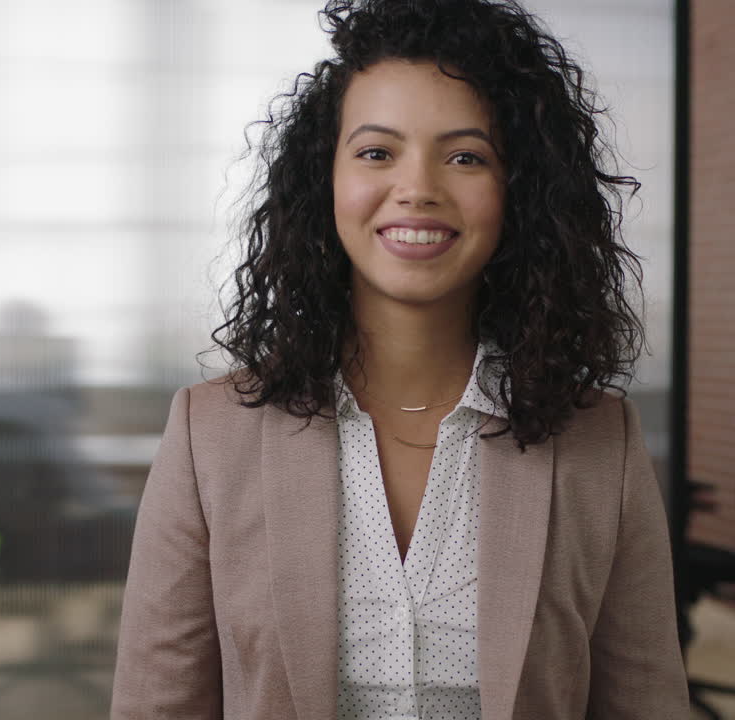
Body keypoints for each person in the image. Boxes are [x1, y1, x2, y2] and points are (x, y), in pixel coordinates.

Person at [111, 0, 688, 717]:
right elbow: (157, 704)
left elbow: (645, 702)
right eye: (377, 152)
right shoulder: (210, 435)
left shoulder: (602, 441)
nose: (417, 189)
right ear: (325, 181)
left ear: (522, 192)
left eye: (466, 156)